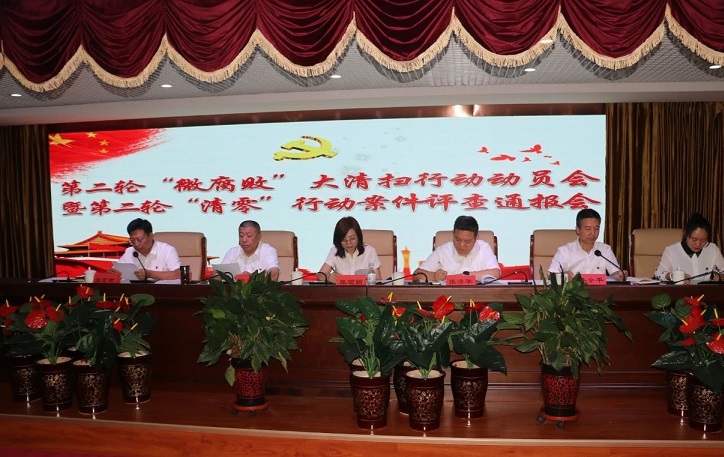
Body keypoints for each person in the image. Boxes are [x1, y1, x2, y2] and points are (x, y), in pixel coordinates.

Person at [414, 215, 500, 282]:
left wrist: (465, 277)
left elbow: (496, 273)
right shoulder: (443, 251)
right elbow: (416, 274)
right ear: (453, 233)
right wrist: (434, 276)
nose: (461, 245)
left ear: (476, 237)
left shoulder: (483, 248)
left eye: (467, 241)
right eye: (457, 239)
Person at [548, 208, 626, 281]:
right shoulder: (565, 251)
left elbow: (615, 273)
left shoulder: (605, 249)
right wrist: (564, 276)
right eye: (588, 229)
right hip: (574, 290)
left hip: (600, 290)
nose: (592, 233)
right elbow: (551, 276)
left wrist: (619, 275)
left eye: (596, 228)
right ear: (578, 230)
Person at [654, 213, 724, 283]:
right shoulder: (671, 251)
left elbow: (722, 270)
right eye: (694, 239)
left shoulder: (713, 249)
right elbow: (658, 274)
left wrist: (721, 276)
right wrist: (673, 276)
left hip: (706, 289)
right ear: (686, 234)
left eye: (703, 240)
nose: (698, 244)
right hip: (681, 289)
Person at [318, 216, 381, 284]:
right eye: (343, 240)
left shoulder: (370, 251)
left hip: (364, 290)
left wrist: (369, 280)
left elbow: (379, 279)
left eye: (352, 238)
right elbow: (321, 275)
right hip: (342, 290)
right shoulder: (335, 250)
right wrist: (328, 277)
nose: (348, 243)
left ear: (358, 236)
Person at [112, 218, 181, 281]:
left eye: (139, 240)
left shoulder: (167, 250)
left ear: (151, 236)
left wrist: (150, 274)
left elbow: (180, 274)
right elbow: (116, 270)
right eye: (132, 240)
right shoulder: (129, 251)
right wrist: (113, 273)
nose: (136, 244)